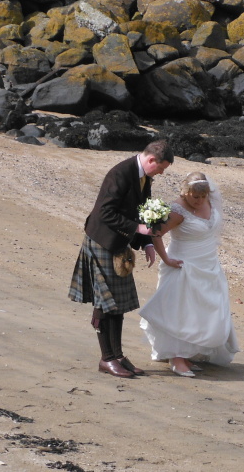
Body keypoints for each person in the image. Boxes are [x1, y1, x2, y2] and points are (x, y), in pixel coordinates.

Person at [68, 139, 174, 378]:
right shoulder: (121, 173)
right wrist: (137, 228)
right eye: (161, 168)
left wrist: (146, 242)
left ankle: (117, 355)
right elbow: (105, 212)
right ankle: (107, 359)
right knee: (107, 303)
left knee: (117, 304)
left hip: (118, 243)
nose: (162, 172)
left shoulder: (143, 176)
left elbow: (140, 211)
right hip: (102, 241)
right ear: (150, 160)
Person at [139, 172, 239, 377]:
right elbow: (155, 233)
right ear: (185, 193)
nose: (199, 201)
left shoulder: (209, 200)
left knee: (201, 309)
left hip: (208, 263)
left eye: (202, 197)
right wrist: (166, 259)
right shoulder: (176, 210)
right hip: (183, 264)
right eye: (195, 197)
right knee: (181, 309)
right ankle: (177, 357)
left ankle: (189, 353)